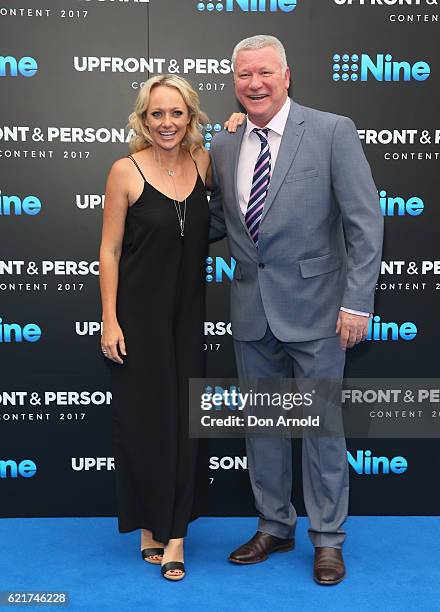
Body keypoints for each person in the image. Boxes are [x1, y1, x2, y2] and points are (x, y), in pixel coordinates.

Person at [209, 35, 384, 585]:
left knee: (321, 431)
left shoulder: (333, 131)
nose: (254, 84)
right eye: (243, 75)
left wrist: (357, 303)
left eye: (264, 73)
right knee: (263, 429)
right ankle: (274, 525)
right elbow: (219, 221)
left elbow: (365, 222)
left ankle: (328, 539)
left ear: (288, 76)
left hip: (319, 311)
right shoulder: (223, 143)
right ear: (234, 83)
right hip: (250, 310)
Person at [99, 74, 243, 582]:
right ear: (143, 119)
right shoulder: (125, 170)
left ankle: (176, 534)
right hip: (137, 318)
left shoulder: (204, 162)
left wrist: (239, 127)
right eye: (156, 114)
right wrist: (110, 319)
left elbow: (248, 169)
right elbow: (109, 250)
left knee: (185, 426)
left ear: (191, 117)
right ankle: (148, 525)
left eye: (176, 113)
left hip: (188, 317)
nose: (166, 123)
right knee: (144, 427)